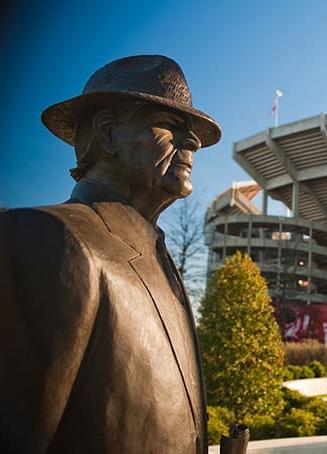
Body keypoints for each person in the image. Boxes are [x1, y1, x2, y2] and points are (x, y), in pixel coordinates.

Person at [0, 55, 221, 453]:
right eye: (171, 125)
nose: (193, 143)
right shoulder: (49, 237)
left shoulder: (159, 260)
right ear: (107, 132)